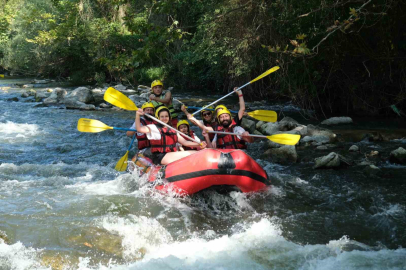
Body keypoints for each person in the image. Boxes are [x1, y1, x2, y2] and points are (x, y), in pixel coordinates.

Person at [135, 106, 207, 165]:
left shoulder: (173, 130)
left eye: (166, 116)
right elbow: (139, 129)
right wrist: (137, 115)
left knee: (197, 153)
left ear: (169, 117)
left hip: (171, 154)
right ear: (158, 118)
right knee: (194, 154)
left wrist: (199, 144)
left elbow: (185, 142)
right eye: (162, 116)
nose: (164, 118)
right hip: (160, 156)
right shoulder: (153, 127)